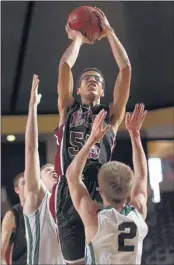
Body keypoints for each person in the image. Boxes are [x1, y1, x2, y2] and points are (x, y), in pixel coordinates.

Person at [54, 7, 132, 264]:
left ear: (102, 91)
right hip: (69, 189)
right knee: (73, 262)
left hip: (98, 190)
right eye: (86, 78)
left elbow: (125, 70)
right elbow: (65, 65)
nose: (92, 80)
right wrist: (77, 38)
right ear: (77, 89)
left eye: (97, 79)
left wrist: (108, 32)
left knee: (103, 259)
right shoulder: (67, 109)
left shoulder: (111, 117)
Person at [66, 104, 148, 264]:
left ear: (99, 190)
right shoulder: (138, 212)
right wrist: (135, 135)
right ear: (129, 190)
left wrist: (92, 140)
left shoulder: (94, 218)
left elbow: (70, 175)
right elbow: (142, 177)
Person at [23, 74, 64, 265]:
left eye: (53, 168)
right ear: (38, 181)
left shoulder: (68, 201)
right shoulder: (37, 198)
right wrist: (32, 107)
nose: (52, 170)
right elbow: (31, 150)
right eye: (47, 170)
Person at [1, 173, 27, 265]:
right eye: (24, 183)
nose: (28, 185)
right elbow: (1, 252)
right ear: (17, 189)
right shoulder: (12, 215)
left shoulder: (45, 208)